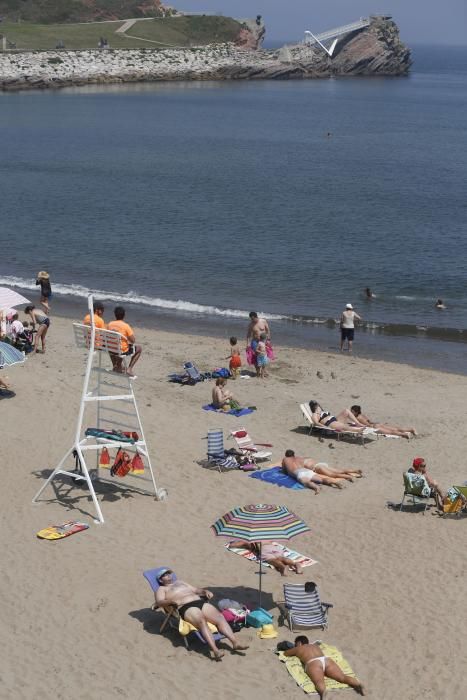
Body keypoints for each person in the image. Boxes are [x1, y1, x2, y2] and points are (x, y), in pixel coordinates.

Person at [155, 569, 249, 661]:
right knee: (202, 622)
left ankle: (235, 643)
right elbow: (159, 602)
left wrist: (204, 591)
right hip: (185, 607)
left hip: (199, 602)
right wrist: (170, 601)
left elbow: (195, 590)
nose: (168, 575)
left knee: (220, 618)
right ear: (160, 580)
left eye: (169, 573)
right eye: (165, 574)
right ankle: (215, 650)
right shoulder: (162, 589)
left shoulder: (181, 582)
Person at [284, 636, 365, 698]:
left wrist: (294, 648)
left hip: (313, 663)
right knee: (342, 677)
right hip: (326, 660)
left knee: (319, 681)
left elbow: (286, 653)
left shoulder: (299, 648)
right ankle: (358, 684)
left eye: (295, 643)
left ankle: (323, 693)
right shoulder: (315, 646)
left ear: (299, 643)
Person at [282, 450, 363, 492]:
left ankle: (316, 487)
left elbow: (284, 470)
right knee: (334, 473)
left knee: (307, 482)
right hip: (311, 468)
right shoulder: (299, 458)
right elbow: (304, 463)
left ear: (286, 455)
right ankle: (349, 473)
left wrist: (287, 472)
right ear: (294, 455)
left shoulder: (285, 459)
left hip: (304, 471)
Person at [229, 540, 303, 576]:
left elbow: (232, 545)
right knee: (281, 557)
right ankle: (295, 563)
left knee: (271, 559)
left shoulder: (248, 540)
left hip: (263, 549)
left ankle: (282, 566)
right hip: (274, 548)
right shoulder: (266, 536)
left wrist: (238, 542)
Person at [107, 306, 142, 378]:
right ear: (124, 315)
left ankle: (116, 366)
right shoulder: (126, 326)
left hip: (111, 349)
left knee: (115, 344)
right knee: (139, 348)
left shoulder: (110, 324)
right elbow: (133, 340)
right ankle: (129, 369)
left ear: (115, 315)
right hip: (121, 350)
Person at [349, 405, 417, 439]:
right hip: (376, 424)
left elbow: (362, 425)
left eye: (352, 411)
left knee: (391, 432)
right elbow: (369, 421)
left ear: (356, 412)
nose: (351, 413)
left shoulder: (357, 418)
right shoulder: (362, 415)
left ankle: (405, 435)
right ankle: (411, 429)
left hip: (374, 427)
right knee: (396, 428)